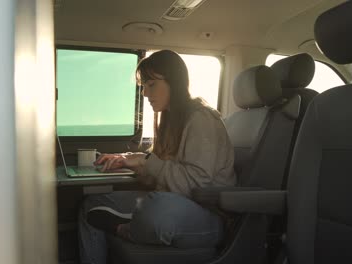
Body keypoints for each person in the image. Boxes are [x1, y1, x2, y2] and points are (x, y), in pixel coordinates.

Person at [78, 50, 236, 264]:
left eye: (151, 84)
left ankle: (132, 228)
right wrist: (127, 161)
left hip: (207, 214)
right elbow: (159, 171)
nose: (144, 93)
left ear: (174, 82)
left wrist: (146, 162)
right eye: (144, 86)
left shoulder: (201, 119)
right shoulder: (170, 120)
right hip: (173, 201)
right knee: (92, 204)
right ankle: (135, 224)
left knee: (158, 206)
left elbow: (197, 186)